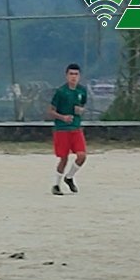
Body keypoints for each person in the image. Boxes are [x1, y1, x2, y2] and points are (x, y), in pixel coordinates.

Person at [47, 63, 89, 195]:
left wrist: (81, 110)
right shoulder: (61, 92)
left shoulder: (82, 91)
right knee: (63, 158)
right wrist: (63, 117)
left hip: (76, 128)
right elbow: (50, 111)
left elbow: (82, 107)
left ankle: (69, 177)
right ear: (66, 76)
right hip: (62, 129)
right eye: (71, 74)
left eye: (76, 74)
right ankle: (56, 185)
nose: (73, 77)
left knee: (82, 156)